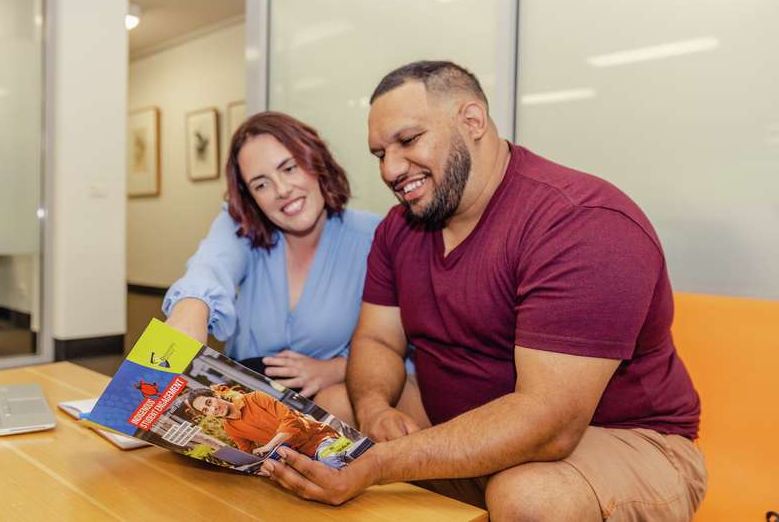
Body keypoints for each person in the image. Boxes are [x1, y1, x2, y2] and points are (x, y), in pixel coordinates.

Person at [259, 61, 707, 521]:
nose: (391, 169)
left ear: (472, 121)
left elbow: (549, 425)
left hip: (616, 438)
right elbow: (376, 340)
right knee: (333, 410)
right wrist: (373, 409)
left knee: (530, 498)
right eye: (379, 154)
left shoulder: (583, 223)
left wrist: (380, 462)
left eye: (409, 140)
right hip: (463, 420)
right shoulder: (399, 229)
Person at [163, 112, 411, 407]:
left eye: (289, 168)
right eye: (261, 185)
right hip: (237, 405)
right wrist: (191, 306)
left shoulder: (377, 237)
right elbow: (211, 264)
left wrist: (336, 370)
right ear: (251, 198)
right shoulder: (243, 228)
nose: (281, 190)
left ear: (316, 162)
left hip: (329, 412)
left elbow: (406, 354)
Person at [184, 386, 346, 468]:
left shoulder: (255, 398)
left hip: (320, 439)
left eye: (209, 402)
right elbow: (247, 453)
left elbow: (291, 420)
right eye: (206, 410)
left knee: (330, 463)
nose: (212, 409)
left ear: (215, 395)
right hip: (298, 458)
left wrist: (269, 446)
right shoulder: (230, 428)